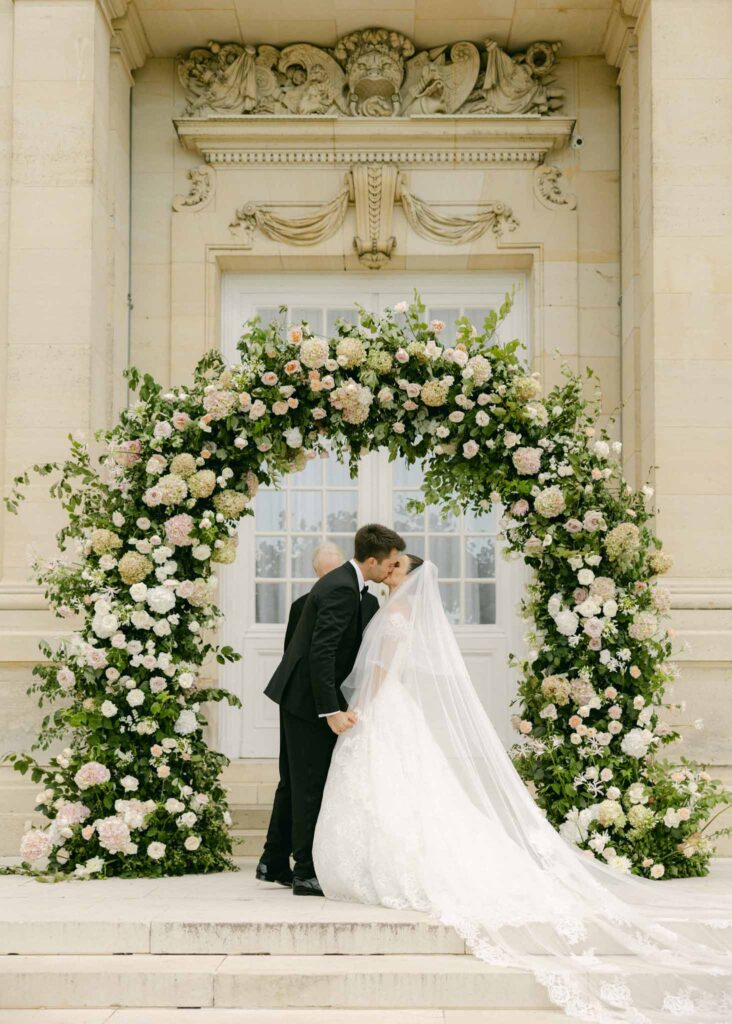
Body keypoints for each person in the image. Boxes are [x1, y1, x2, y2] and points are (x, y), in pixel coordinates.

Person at [313, 559, 732, 1024]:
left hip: (386, 705)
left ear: (406, 575)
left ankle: (389, 859)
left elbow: (380, 669)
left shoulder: (397, 613)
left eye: (395, 567)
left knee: (391, 784)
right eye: (389, 564)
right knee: (404, 785)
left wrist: (358, 709)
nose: (389, 571)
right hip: (399, 706)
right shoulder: (401, 608)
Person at [257, 523, 405, 896]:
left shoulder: (347, 584)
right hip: (308, 701)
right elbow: (321, 652)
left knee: (294, 780)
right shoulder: (340, 587)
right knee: (308, 784)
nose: (390, 570)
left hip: (300, 697)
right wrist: (331, 710)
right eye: (388, 564)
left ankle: (274, 861)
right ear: (372, 560)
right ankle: (306, 871)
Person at [284, 542, 379, 649]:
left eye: (337, 573)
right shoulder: (299, 607)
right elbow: (292, 655)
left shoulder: (370, 603)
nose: (333, 580)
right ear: (316, 572)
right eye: (327, 575)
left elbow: (374, 648)